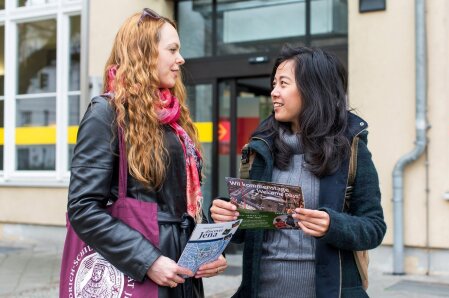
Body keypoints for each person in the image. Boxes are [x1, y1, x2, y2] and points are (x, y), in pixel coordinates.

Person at [67, 8, 226, 298]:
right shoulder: (106, 112)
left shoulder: (173, 118)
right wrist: (147, 260)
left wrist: (205, 252)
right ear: (144, 52)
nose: (181, 59)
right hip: (139, 270)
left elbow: (181, 205)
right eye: (173, 49)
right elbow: (83, 208)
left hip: (181, 273)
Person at [210, 46, 386, 298]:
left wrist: (333, 225)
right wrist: (226, 215)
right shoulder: (260, 148)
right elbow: (247, 228)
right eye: (273, 84)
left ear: (313, 89)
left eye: (283, 84)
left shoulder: (351, 148)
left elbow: (374, 227)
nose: (274, 93)